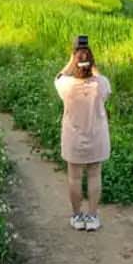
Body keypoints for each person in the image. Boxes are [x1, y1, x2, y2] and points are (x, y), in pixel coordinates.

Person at [54, 34, 111, 231]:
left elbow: (59, 76)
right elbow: (101, 82)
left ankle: (77, 217)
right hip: (97, 138)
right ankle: (93, 217)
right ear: (92, 61)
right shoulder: (101, 83)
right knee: (95, 176)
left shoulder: (66, 85)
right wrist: (90, 63)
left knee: (74, 178)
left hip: (73, 139)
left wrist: (73, 59)